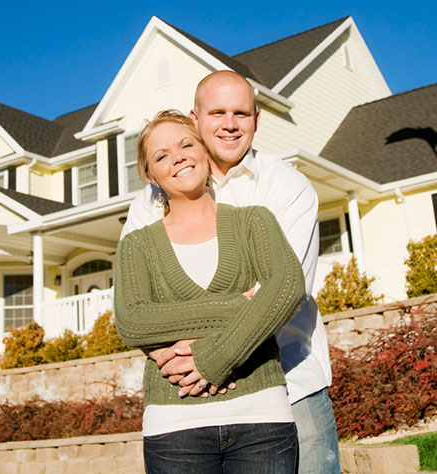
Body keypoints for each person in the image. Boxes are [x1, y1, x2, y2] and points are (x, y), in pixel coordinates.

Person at [121, 70, 340, 474]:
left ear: (257, 119)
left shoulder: (286, 188)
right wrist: (183, 362)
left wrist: (212, 356)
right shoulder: (149, 203)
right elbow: (135, 313)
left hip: (292, 382)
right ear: (196, 117)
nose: (229, 124)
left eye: (241, 113)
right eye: (218, 111)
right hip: (184, 393)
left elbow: (284, 295)